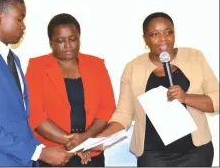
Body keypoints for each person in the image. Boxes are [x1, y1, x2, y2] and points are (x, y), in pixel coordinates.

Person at [93, 12, 219, 167]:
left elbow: (216, 100)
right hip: (153, 155)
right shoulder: (133, 67)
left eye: (168, 32)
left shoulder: (194, 57)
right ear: (145, 39)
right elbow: (124, 114)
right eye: (155, 34)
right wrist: (102, 137)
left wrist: (186, 98)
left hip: (195, 152)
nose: (163, 39)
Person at [0, 0, 72, 166]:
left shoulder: (14, 59)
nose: (23, 26)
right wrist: (38, 152)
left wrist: (47, 150)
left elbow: (20, 122)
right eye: (19, 19)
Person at [25, 13, 116, 167]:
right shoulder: (37, 67)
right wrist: (72, 142)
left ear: (79, 38)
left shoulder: (96, 65)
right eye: (60, 41)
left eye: (72, 39)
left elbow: (107, 107)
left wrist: (85, 138)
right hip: (54, 154)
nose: (68, 45)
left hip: (91, 152)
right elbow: (35, 115)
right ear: (50, 42)